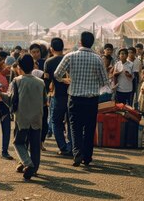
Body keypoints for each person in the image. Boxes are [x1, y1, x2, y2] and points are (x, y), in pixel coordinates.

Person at [54, 31, 109, 167]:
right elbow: (104, 82)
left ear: (80, 42)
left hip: (74, 98)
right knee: (89, 129)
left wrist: (66, 80)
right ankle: (87, 157)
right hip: (91, 100)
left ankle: (77, 152)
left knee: (75, 127)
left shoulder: (70, 56)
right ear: (93, 43)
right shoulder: (98, 59)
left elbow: (57, 74)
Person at [10, 54, 46, 180]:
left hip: (22, 118)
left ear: (19, 67)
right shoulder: (41, 82)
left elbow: (12, 99)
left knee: (18, 142)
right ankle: (34, 168)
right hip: (37, 117)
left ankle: (28, 164)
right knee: (35, 145)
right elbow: (44, 101)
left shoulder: (17, 81)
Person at [44, 38, 72, 156]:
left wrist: (46, 95)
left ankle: (63, 147)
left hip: (58, 96)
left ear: (51, 48)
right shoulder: (69, 59)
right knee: (71, 122)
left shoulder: (49, 62)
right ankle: (72, 145)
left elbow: (46, 80)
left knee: (56, 121)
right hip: (72, 95)